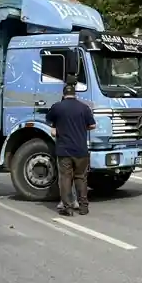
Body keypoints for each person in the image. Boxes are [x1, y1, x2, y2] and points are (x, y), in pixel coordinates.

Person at [46, 83, 96, 216]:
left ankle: (67, 208)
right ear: (75, 94)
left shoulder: (58, 107)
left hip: (64, 150)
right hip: (81, 150)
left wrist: (57, 126)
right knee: (81, 178)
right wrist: (81, 128)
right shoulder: (84, 108)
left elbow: (48, 119)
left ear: (63, 95)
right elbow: (92, 125)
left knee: (65, 178)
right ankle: (84, 207)